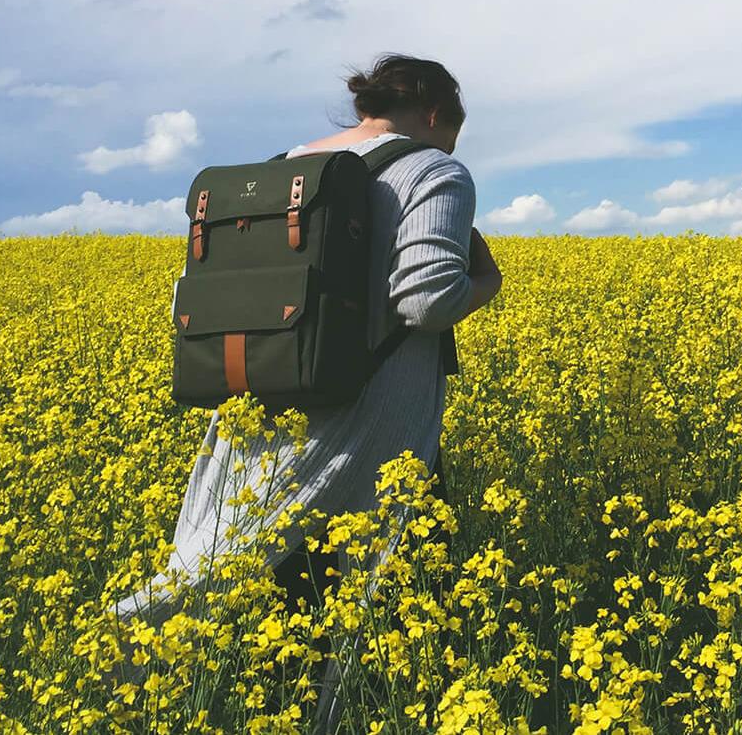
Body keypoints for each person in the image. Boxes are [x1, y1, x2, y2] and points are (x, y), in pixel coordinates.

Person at [108, 53, 503, 724]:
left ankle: (138, 679)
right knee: (403, 607)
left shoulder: (279, 169)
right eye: (450, 135)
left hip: (265, 409)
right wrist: (488, 283)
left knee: (281, 605)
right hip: (375, 426)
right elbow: (427, 299)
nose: (447, 150)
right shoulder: (432, 168)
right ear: (436, 114)